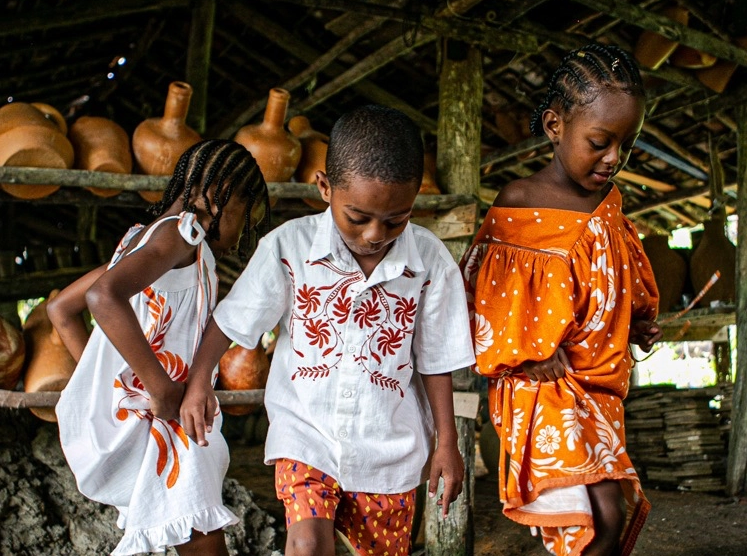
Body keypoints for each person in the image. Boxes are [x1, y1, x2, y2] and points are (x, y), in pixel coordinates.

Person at [180, 105, 476, 556]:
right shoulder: (288, 248)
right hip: (305, 436)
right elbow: (232, 319)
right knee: (307, 545)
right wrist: (199, 381)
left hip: (389, 452)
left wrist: (447, 444)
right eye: (358, 217)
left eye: (396, 219)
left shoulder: (430, 263)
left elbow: (436, 361)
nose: (376, 233)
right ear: (324, 187)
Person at [460, 44, 663, 556]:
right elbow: (486, 297)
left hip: (599, 386)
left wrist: (634, 320)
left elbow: (615, 277)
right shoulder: (520, 202)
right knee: (598, 518)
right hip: (542, 380)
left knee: (607, 517)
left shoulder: (609, 204)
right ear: (555, 126)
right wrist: (531, 349)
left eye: (627, 145)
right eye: (599, 141)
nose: (614, 158)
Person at [50, 139, 269, 556]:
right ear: (221, 194)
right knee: (202, 536)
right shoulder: (180, 236)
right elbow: (102, 298)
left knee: (191, 531)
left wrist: (113, 385)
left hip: (162, 415)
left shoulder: (144, 239)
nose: (244, 231)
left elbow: (61, 309)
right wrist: (160, 388)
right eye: (248, 214)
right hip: (168, 416)